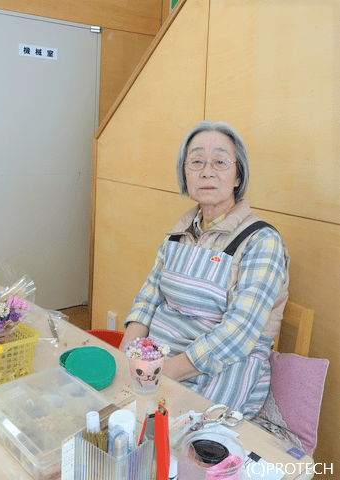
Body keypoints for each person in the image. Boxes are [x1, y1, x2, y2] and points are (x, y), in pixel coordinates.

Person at [118, 120, 290, 419]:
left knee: (162, 437)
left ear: (238, 176)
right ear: (185, 173)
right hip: (154, 367)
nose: (207, 171)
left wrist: (159, 374)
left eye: (220, 162)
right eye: (196, 161)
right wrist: (126, 360)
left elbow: (238, 334)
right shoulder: (177, 236)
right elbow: (147, 300)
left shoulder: (262, 241)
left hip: (216, 374)